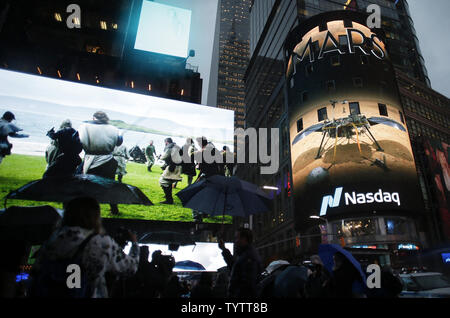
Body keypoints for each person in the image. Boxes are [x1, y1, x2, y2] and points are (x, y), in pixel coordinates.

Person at [31, 197, 139, 298]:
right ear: (96, 216)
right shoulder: (100, 242)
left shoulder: (54, 238)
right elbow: (131, 267)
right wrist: (134, 243)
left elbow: (36, 272)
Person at [78, 111, 123, 215]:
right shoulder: (114, 129)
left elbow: (78, 141)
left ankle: (87, 209)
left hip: (91, 159)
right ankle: (114, 209)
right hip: (109, 161)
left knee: (87, 186)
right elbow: (119, 142)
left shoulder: (84, 127)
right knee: (109, 186)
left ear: (94, 118)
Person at [218, 228, 262, 298]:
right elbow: (234, 267)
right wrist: (223, 249)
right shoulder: (244, 255)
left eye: (236, 238)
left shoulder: (249, 257)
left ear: (244, 239)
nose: (235, 241)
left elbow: (248, 285)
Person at [159, 138, 182, 204]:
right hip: (178, 166)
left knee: (163, 181)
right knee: (168, 182)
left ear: (166, 142)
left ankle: (169, 199)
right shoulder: (177, 147)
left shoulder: (170, 148)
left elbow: (163, 157)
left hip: (173, 167)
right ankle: (168, 198)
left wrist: (160, 157)